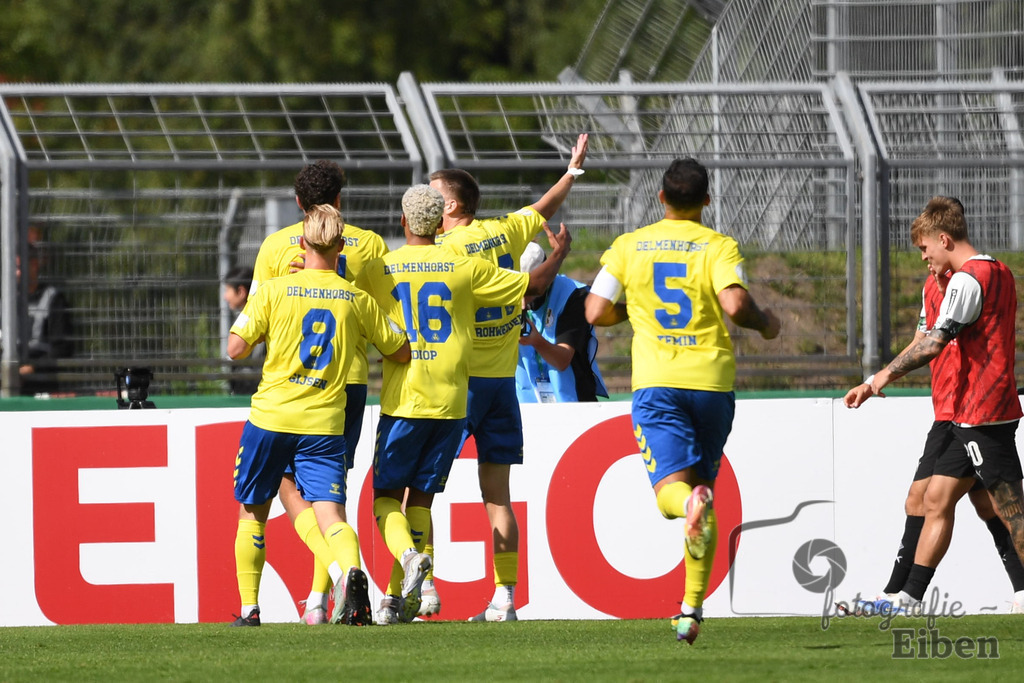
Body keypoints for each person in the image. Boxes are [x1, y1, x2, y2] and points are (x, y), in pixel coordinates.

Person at [584, 158, 781, 644]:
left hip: (658, 383)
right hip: (712, 384)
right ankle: (691, 611)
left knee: (673, 497)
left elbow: (594, 308)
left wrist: (640, 307)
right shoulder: (717, 244)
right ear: (707, 201)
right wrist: (767, 322)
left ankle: (688, 507)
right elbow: (735, 304)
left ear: (660, 198)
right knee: (703, 501)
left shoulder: (629, 246)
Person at [356, 185, 572, 624]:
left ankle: (413, 592)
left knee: (388, 499)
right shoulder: (465, 263)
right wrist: (560, 253)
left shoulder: (386, 268)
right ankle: (504, 599)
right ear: (440, 223)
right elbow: (533, 282)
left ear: (403, 222)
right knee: (487, 498)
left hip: (416, 395)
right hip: (474, 391)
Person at [429, 132, 588, 621]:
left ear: (452, 204)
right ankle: (505, 599)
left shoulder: (447, 250)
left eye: (431, 193)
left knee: (418, 491)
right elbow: (543, 207)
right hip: (502, 386)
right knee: (497, 496)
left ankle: (424, 591)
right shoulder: (503, 231)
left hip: (461, 385)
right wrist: (571, 171)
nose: (422, 200)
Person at [226, 204, 410, 627]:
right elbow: (399, 349)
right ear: (342, 246)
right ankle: (351, 572)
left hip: (271, 418)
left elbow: (235, 349)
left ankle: (251, 609)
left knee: (253, 511)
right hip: (325, 423)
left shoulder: (275, 290)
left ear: (303, 242)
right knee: (331, 514)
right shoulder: (355, 299)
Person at [844, 195, 1024, 613]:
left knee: (1010, 508)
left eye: (925, 248)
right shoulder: (998, 271)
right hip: (970, 412)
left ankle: (904, 596)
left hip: (983, 411)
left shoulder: (967, 279)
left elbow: (934, 343)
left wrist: (879, 379)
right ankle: (905, 598)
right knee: (936, 499)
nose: (923, 257)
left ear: (944, 238)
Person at [250, 159, 389, 625]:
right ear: (341, 198)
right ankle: (318, 599)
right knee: (329, 492)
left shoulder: (274, 245)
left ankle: (324, 590)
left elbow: (255, 314)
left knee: (290, 488)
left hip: (289, 383)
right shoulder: (367, 244)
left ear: (297, 203)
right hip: (346, 381)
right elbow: (384, 315)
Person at [515, 242, 608, 403]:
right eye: (518, 288)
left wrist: (537, 342)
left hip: (573, 406)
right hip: (524, 408)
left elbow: (562, 360)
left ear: (546, 277)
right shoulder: (501, 296)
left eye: (530, 288)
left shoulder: (574, 296)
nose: (524, 297)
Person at [17, 226, 73, 396]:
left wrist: (32, 367)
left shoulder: (53, 299)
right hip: (10, 385)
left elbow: (63, 348)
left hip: (42, 386)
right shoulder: (7, 302)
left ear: (34, 265)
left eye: (19, 267)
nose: (16, 273)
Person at [222, 265, 261, 396]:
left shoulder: (254, 320)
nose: (225, 296)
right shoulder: (245, 317)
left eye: (227, 290)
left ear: (241, 292)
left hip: (252, 392)